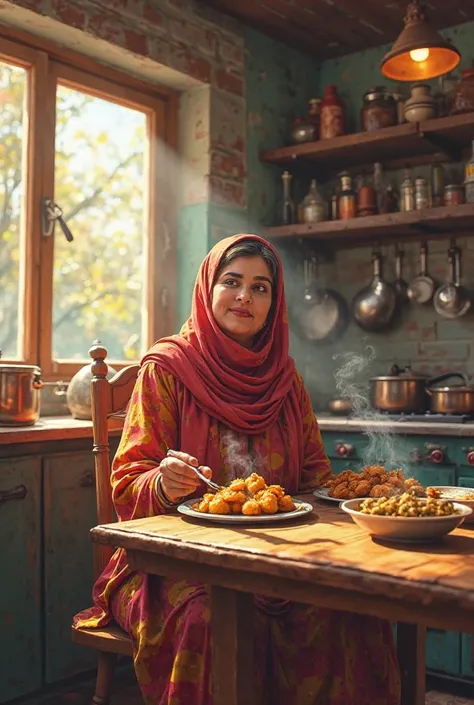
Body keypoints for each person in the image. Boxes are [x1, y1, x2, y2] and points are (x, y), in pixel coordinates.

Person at [73, 234, 400, 705]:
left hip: (278, 560)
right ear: (208, 289)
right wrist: (163, 483)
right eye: (232, 281)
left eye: (261, 287)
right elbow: (127, 481)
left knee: (351, 608)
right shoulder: (166, 369)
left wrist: (365, 491)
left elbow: (314, 475)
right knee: (211, 620)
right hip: (173, 569)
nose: (245, 296)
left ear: (274, 303)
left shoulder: (286, 381)